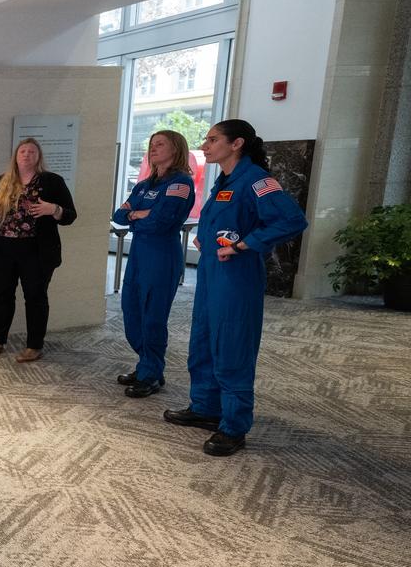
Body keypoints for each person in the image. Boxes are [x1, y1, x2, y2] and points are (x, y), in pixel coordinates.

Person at [164, 119, 307, 456]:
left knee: (232, 346)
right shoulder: (225, 181)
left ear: (237, 143)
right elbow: (224, 222)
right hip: (212, 272)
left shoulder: (257, 180)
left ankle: (233, 426)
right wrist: (207, 236)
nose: (205, 145)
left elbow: (292, 220)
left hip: (237, 275)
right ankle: (205, 407)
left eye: (213, 139)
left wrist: (245, 245)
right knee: (202, 341)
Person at [0, 138, 76, 362]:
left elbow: (70, 215)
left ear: (38, 156)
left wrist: (53, 209)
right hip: (1, 249)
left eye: (31, 151)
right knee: (2, 296)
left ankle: (34, 345)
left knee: (36, 297)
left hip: (36, 251)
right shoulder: (0, 181)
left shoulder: (52, 182)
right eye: (22, 151)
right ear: (15, 156)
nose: (26, 155)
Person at [112, 130, 195, 397]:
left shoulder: (180, 184)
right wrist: (142, 213)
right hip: (138, 255)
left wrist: (136, 214)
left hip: (161, 257)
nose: (153, 148)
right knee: (131, 312)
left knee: (153, 318)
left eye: (161, 144)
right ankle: (148, 363)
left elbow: (162, 223)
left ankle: (150, 373)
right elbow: (118, 216)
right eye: (151, 144)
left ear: (176, 149)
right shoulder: (143, 186)